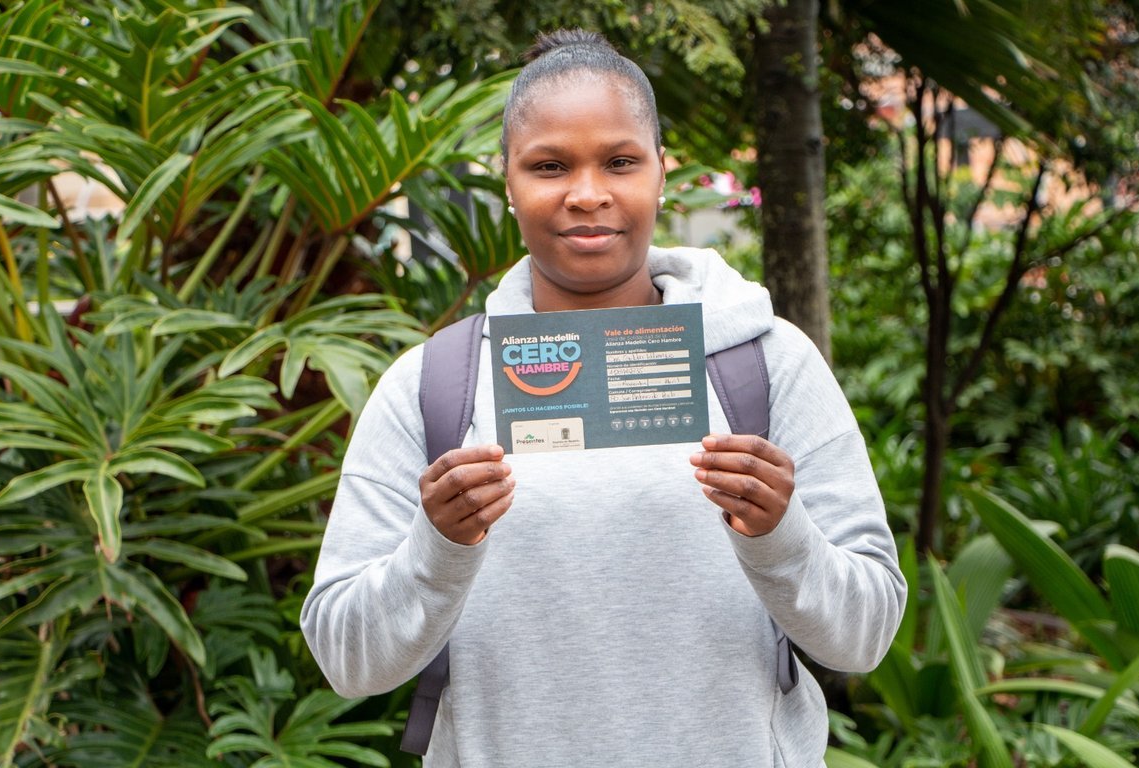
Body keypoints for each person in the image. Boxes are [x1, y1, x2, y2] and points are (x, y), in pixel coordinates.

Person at [301, 28, 905, 767]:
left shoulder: (768, 364)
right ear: (507, 182)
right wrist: (438, 546)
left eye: (620, 161)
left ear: (661, 171)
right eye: (549, 165)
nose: (588, 195)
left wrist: (784, 534)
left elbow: (866, 636)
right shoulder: (433, 387)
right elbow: (345, 658)